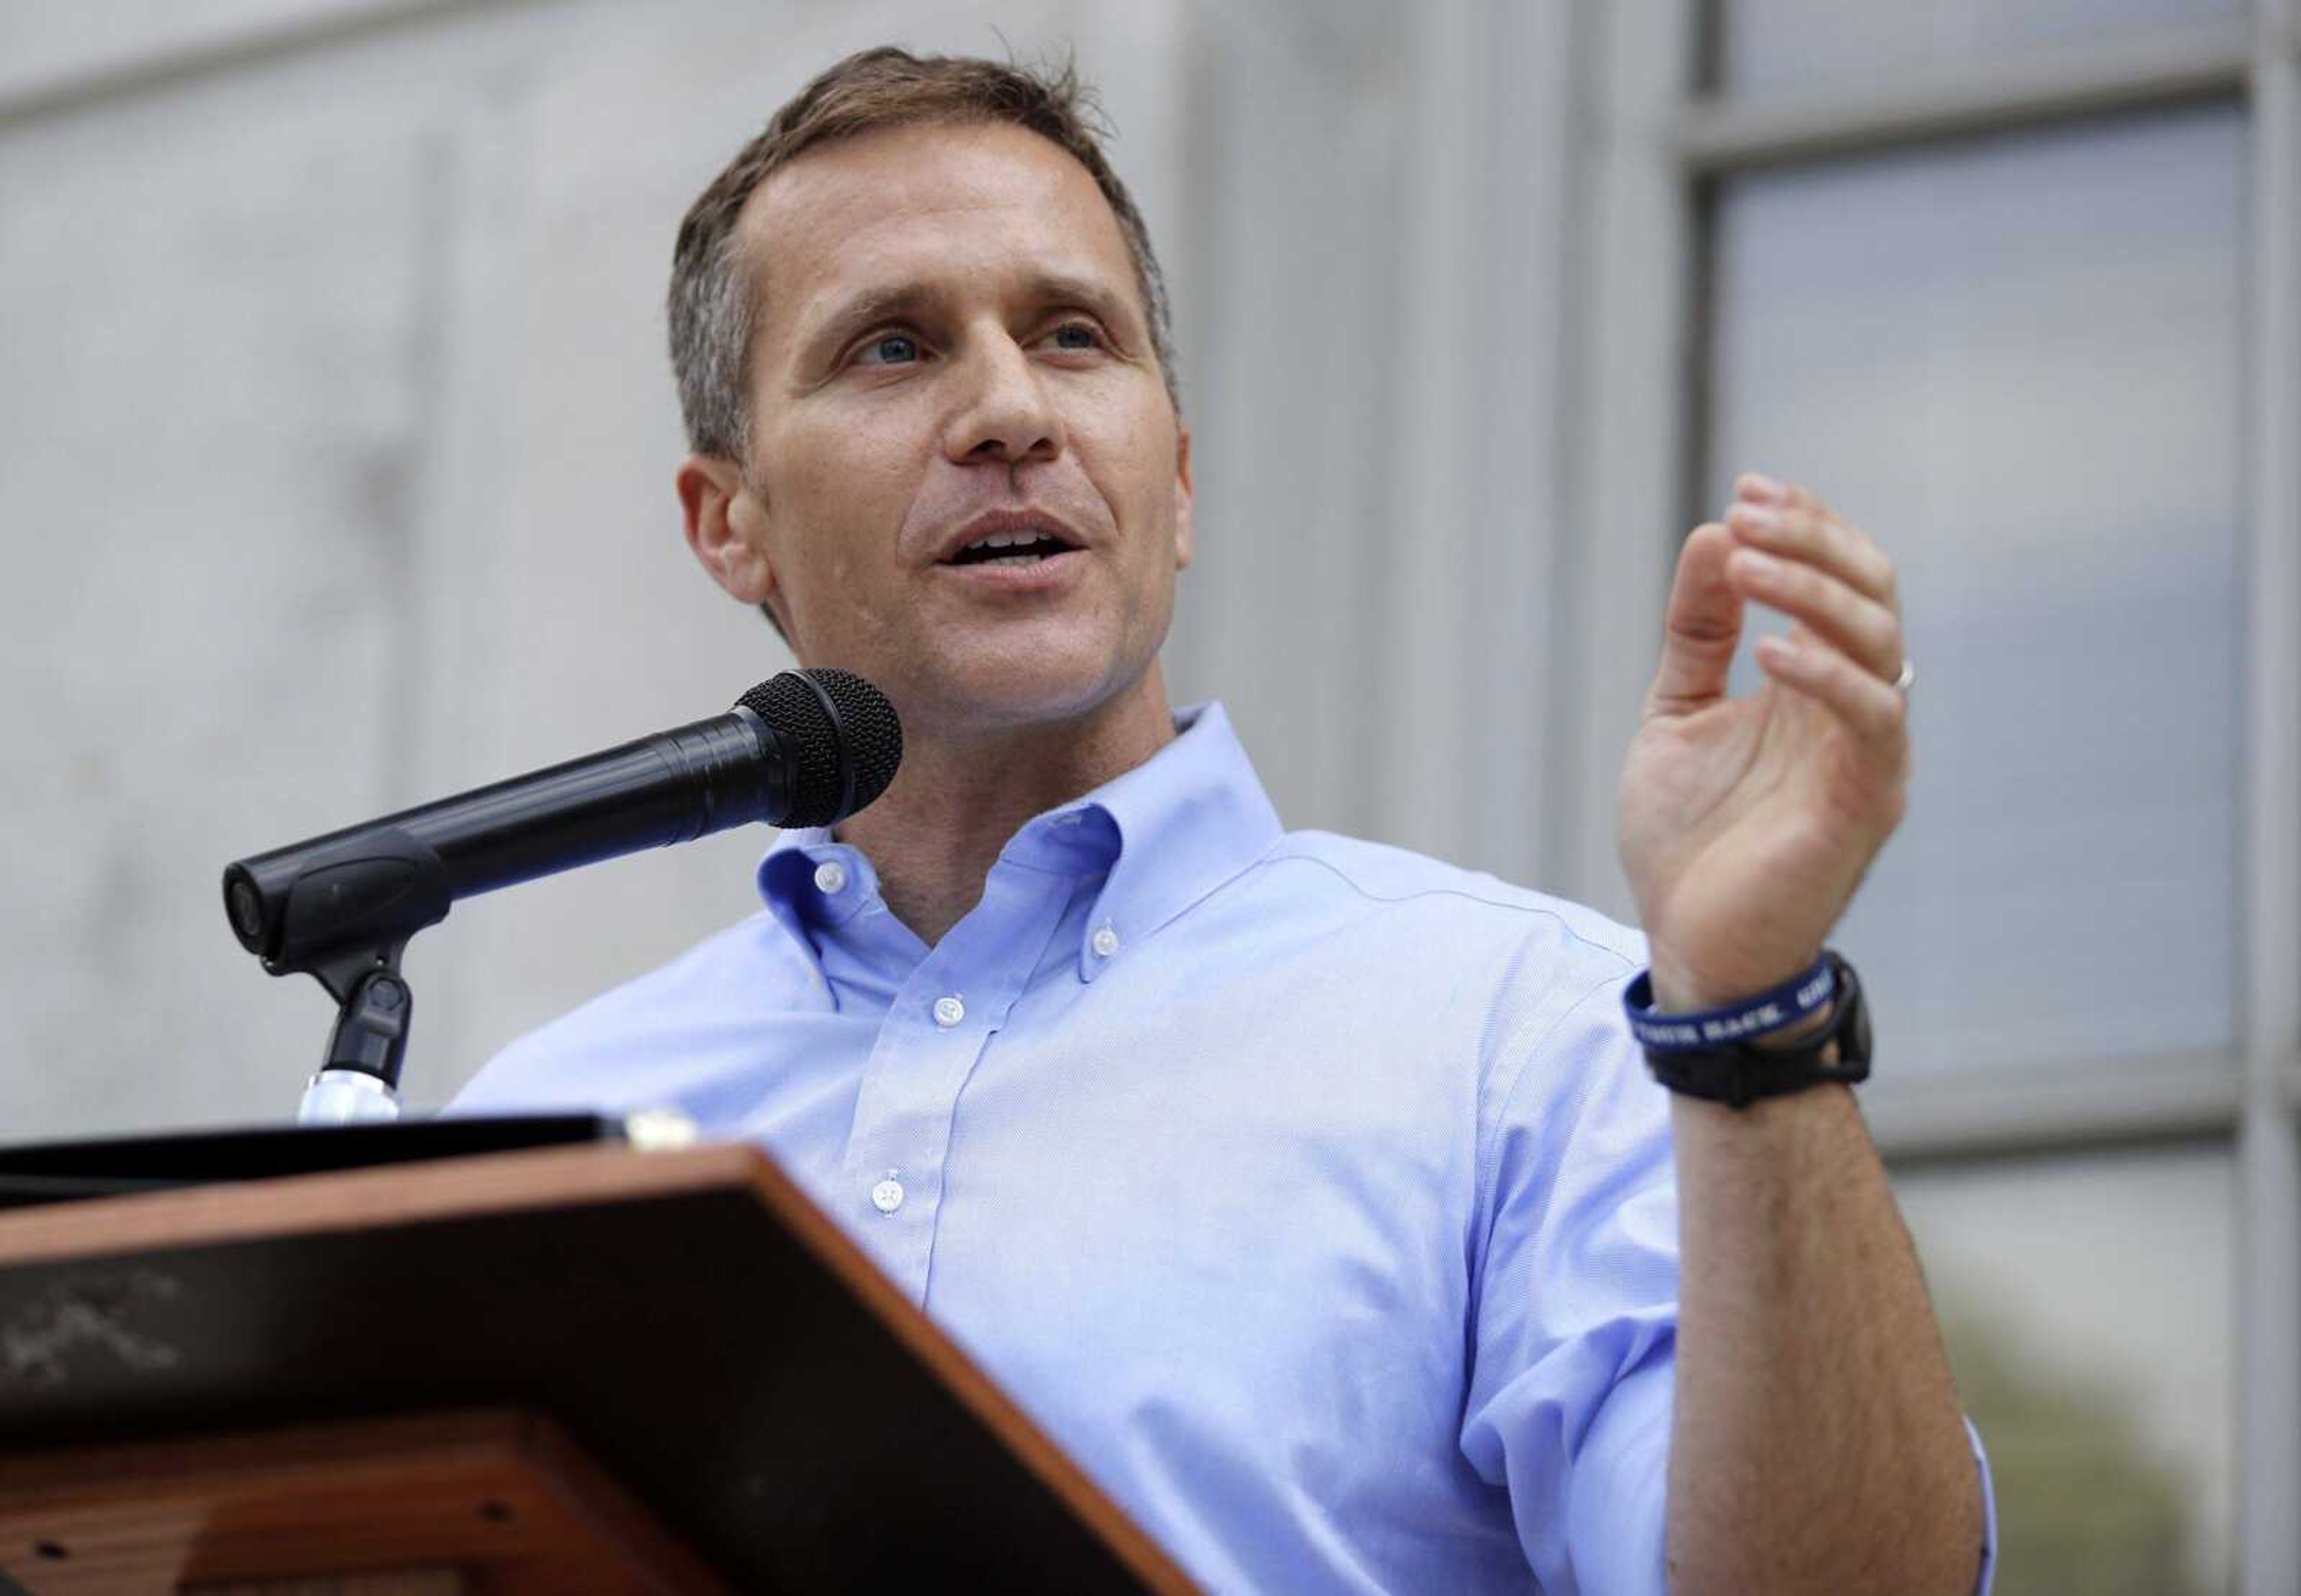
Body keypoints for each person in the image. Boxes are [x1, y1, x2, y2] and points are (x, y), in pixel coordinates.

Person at [455, 46, 1995, 1594]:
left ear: (1175, 484)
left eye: (1072, 335)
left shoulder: (1528, 1039)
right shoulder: (543, 1136)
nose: (1008, 410)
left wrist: (1753, 1015)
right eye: (894, 348)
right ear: (731, 524)